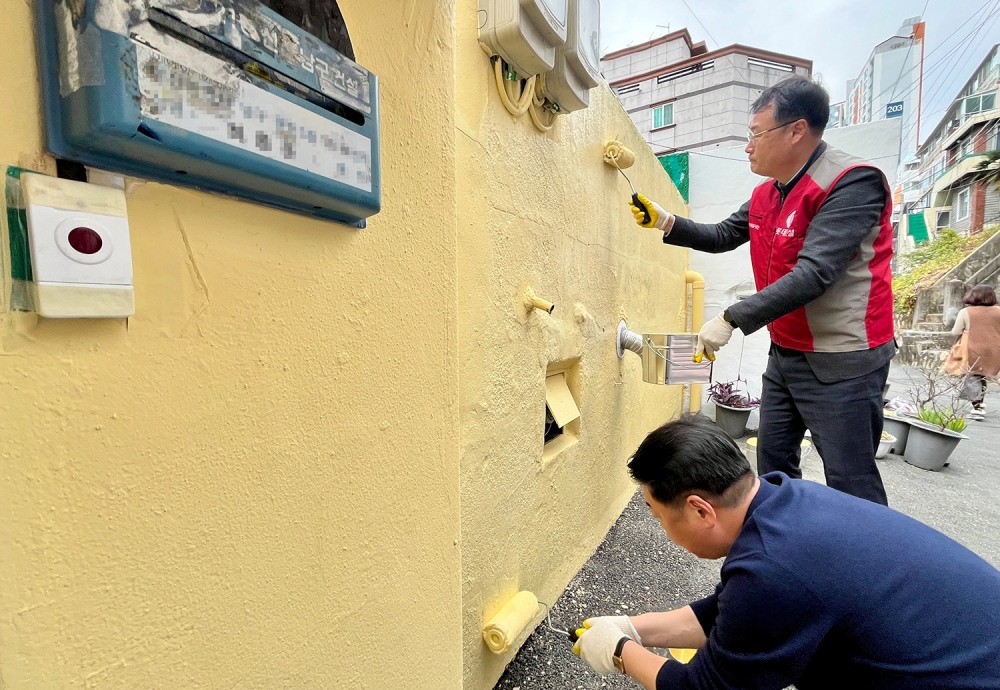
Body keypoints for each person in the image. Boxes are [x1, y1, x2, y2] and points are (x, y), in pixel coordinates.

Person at [573, 415, 1000, 689]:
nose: (660, 527)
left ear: (699, 510)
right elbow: (732, 613)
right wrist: (631, 626)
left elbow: (705, 689)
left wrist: (619, 653)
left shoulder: (774, 570)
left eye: (656, 513)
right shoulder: (786, 498)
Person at [630, 75, 894, 505]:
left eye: (755, 133)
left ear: (796, 130)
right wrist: (665, 220)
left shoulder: (851, 182)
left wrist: (731, 318)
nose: (748, 145)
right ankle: (784, 548)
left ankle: (867, 564)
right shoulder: (766, 194)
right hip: (786, 353)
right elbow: (721, 235)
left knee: (851, 479)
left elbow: (815, 273)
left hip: (844, 359)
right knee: (772, 464)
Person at [950, 284, 1000, 420]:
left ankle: (978, 406)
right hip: (995, 350)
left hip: (973, 348)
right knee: (981, 375)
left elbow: (955, 331)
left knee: (973, 375)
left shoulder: (966, 312)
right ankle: (979, 403)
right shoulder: (998, 311)